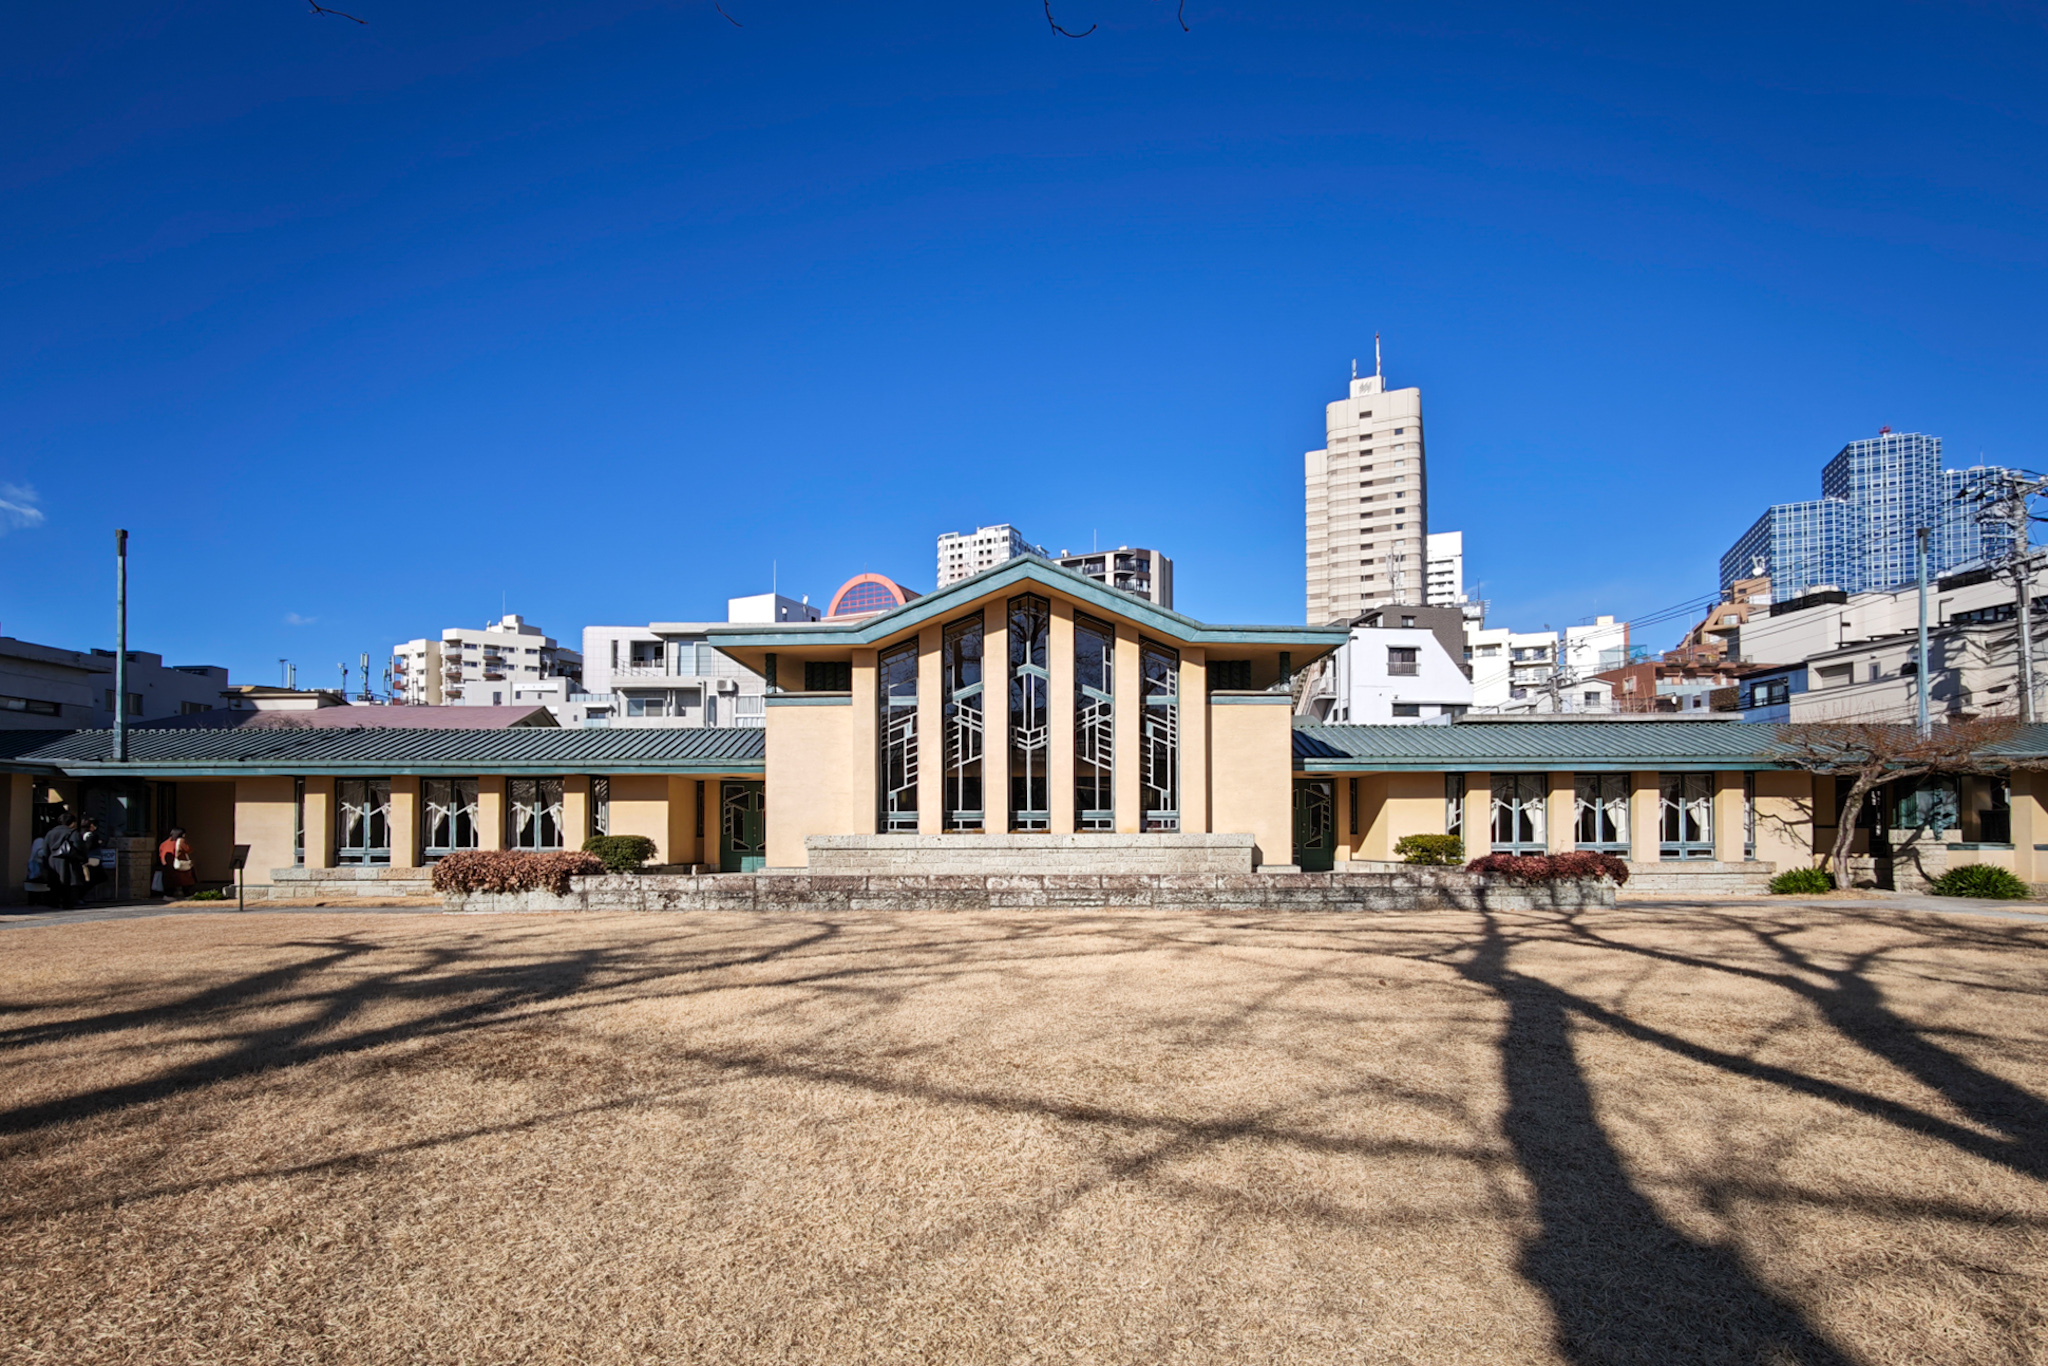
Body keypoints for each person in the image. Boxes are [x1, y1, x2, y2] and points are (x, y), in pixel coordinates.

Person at [42, 811, 83, 910]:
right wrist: (82, 858)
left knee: (55, 883)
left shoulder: (50, 833)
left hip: (53, 861)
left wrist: (46, 863)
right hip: (69, 861)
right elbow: (79, 847)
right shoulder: (73, 832)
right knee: (69, 884)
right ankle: (67, 903)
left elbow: (45, 850)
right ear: (72, 822)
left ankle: (54, 902)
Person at [158, 826, 196, 899]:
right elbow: (189, 849)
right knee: (186, 881)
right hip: (179, 865)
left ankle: (168, 895)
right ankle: (187, 895)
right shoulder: (180, 842)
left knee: (170, 882)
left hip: (167, 866)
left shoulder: (164, 843)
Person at [76, 817, 106, 900]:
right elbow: (88, 847)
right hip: (91, 859)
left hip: (87, 859)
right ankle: (79, 896)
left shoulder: (79, 834)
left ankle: (79, 896)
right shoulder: (90, 835)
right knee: (95, 878)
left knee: (91, 878)